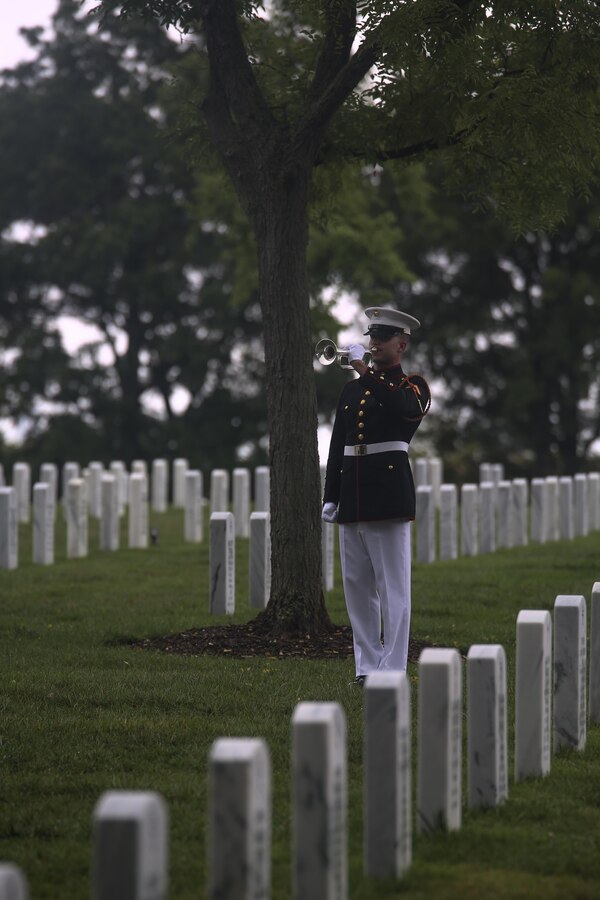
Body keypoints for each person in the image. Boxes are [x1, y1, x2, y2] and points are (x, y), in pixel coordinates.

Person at [322, 306, 431, 684]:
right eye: (372, 337)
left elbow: (402, 409)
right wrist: (330, 495)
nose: (375, 343)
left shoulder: (413, 388)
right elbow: (339, 445)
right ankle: (367, 667)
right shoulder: (351, 390)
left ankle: (393, 668)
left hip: (387, 496)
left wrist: (365, 373)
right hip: (352, 495)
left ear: (401, 344)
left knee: (393, 591)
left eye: (382, 339)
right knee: (357, 589)